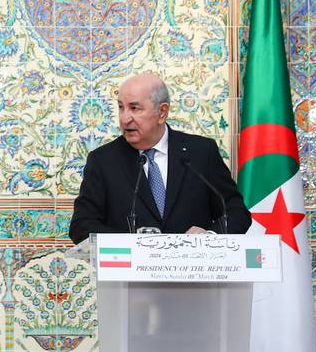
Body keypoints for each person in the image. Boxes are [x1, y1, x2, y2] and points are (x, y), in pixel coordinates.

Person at [69, 71, 250, 243]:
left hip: (192, 270)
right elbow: (81, 226)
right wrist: (132, 244)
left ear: (162, 112)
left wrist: (209, 236)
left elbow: (237, 212)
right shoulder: (103, 161)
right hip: (131, 273)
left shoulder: (201, 152)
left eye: (134, 108)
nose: (125, 119)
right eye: (121, 107)